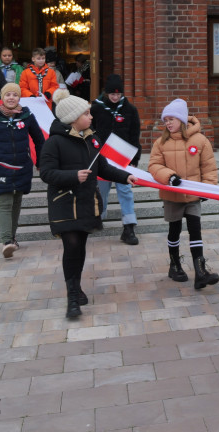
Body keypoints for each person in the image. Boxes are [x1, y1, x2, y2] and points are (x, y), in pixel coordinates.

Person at [39, 94, 138, 319]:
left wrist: (126, 176)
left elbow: (102, 167)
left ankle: (77, 285)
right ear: (73, 118)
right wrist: (73, 175)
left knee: (80, 247)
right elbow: (46, 173)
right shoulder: (54, 142)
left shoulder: (92, 139)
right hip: (64, 203)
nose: (91, 116)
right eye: (86, 113)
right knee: (71, 245)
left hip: (86, 201)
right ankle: (72, 297)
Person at [149, 98, 219, 287]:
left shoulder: (199, 140)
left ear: (181, 119)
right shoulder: (160, 143)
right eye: (166, 120)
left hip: (193, 195)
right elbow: (154, 165)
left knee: (195, 229)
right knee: (174, 230)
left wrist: (208, 188)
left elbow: (209, 167)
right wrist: (169, 176)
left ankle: (200, 271)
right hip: (172, 195)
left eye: (172, 119)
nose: (168, 123)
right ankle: (174, 266)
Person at [0, 82, 45, 257]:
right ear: (2, 98)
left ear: (19, 98)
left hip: (23, 166)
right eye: (7, 95)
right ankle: (7, 241)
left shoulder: (27, 116)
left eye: (14, 95)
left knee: (16, 202)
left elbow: (39, 140)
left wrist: (40, 161)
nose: (11, 98)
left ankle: (12, 238)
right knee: (5, 202)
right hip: (1, 167)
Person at [91, 73, 142, 245]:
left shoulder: (130, 110)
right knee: (101, 191)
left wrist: (135, 157)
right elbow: (90, 132)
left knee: (125, 191)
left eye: (118, 94)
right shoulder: (96, 108)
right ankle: (98, 218)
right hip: (103, 158)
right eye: (112, 94)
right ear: (106, 93)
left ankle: (129, 226)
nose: (115, 97)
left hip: (123, 159)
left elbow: (135, 135)